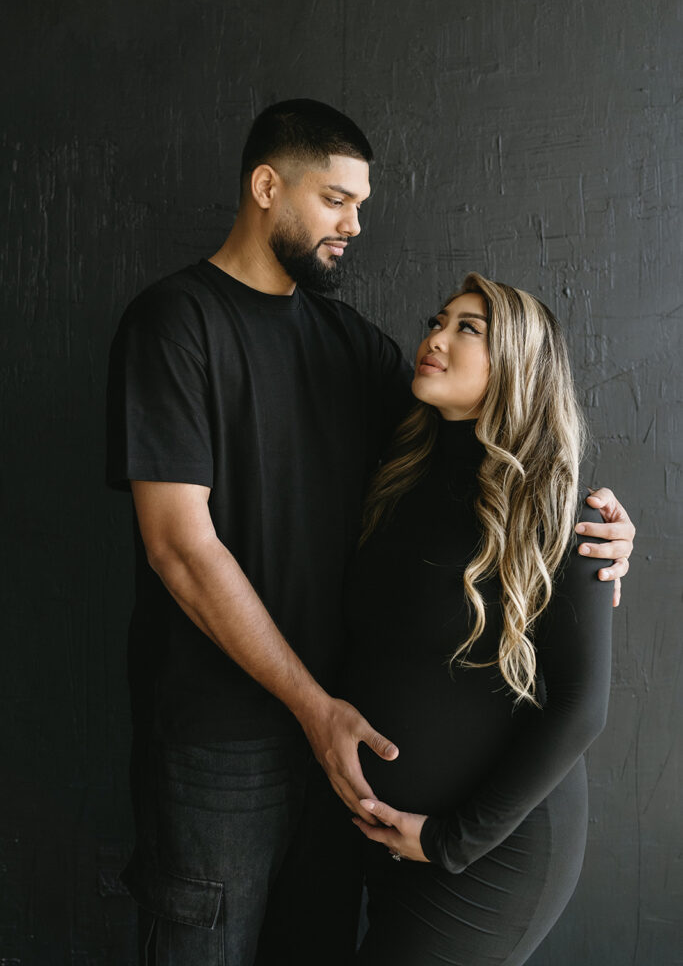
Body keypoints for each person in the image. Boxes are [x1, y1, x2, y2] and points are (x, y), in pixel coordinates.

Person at [105, 100, 635, 965]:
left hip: (337, 758)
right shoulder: (177, 323)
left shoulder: (350, 346)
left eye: (361, 205)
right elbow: (180, 548)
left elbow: (493, 431)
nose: (354, 225)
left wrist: (598, 528)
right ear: (266, 186)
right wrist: (315, 708)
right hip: (223, 741)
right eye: (335, 200)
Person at [345, 273, 616, 965]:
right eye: (437, 320)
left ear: (519, 362)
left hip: (491, 851)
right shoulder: (398, 479)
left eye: (468, 328)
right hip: (387, 837)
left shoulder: (560, 514)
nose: (433, 338)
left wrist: (449, 841)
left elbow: (582, 708)